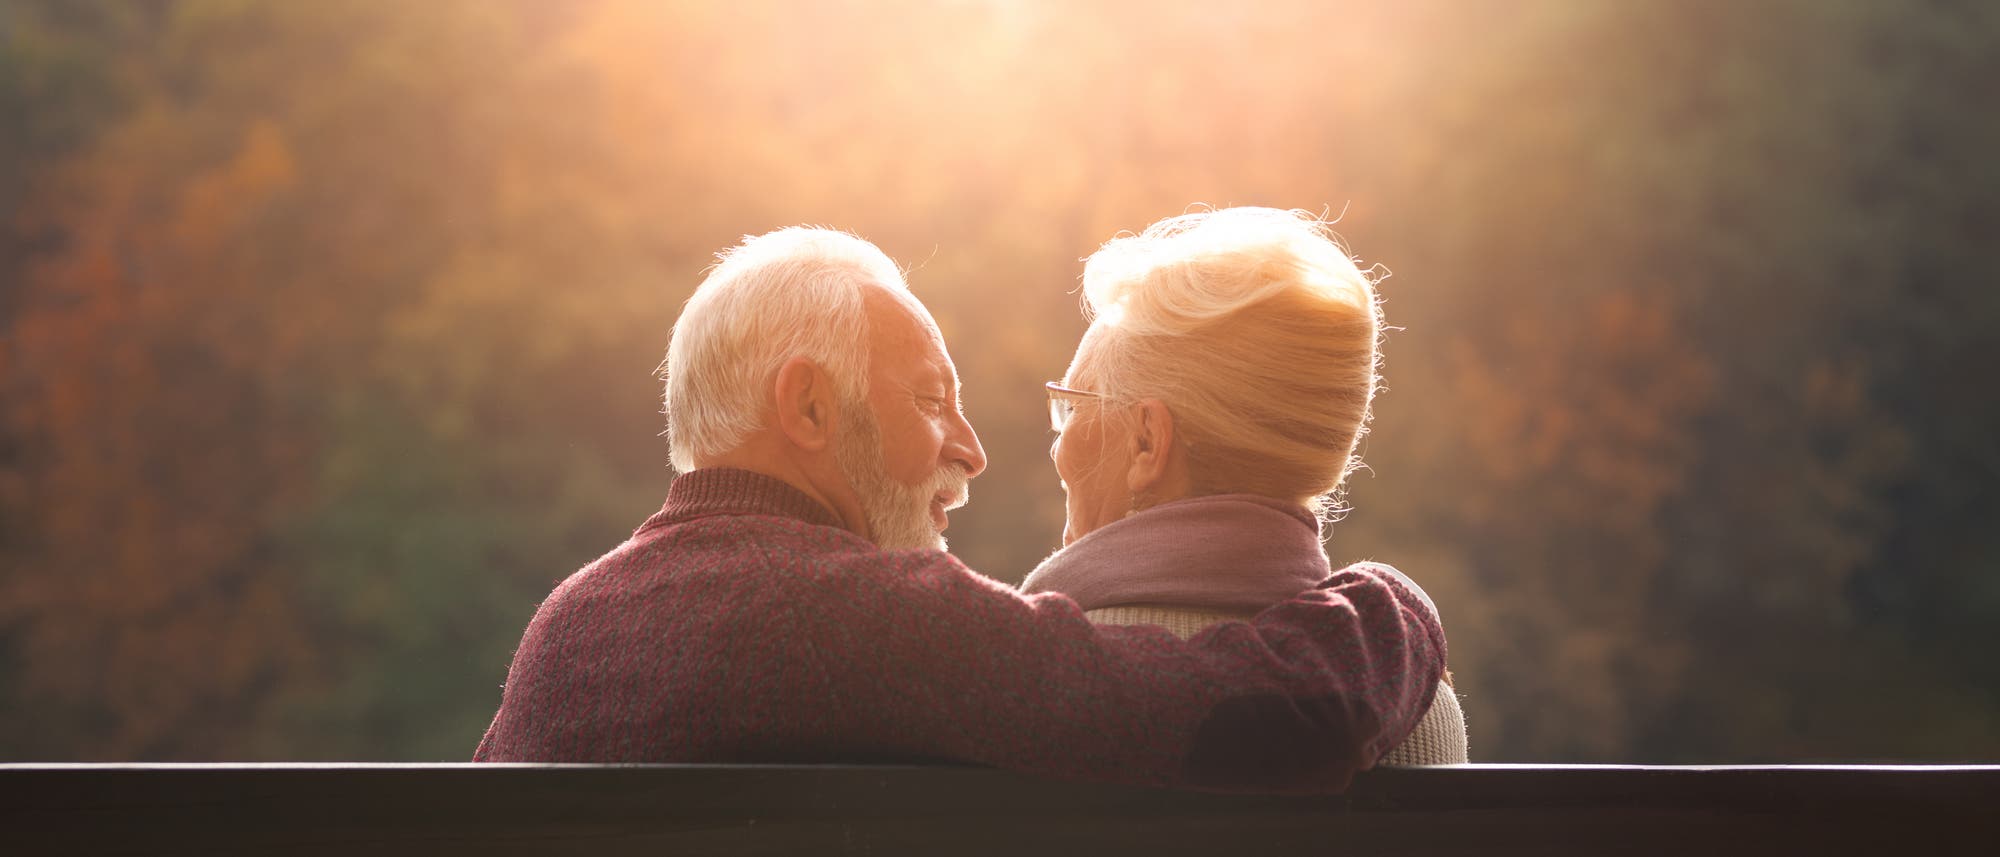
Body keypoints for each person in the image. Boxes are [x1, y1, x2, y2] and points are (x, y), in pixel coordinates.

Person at [473, 227, 1448, 791]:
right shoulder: (860, 618)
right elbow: (1253, 718)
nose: (972, 448)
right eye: (931, 399)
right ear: (809, 406)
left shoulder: (564, 627)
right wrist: (1392, 606)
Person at [1022, 207, 1469, 764]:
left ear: (1146, 443)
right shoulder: (1420, 701)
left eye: (1072, 406)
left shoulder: (1037, 687)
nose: (1057, 447)